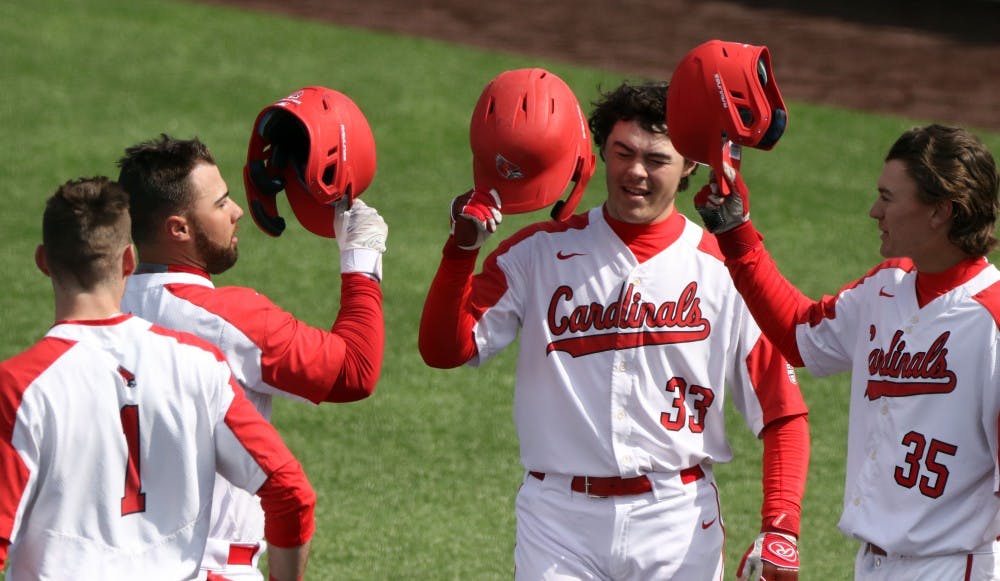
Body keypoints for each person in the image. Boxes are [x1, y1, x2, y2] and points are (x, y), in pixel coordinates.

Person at [419, 78, 810, 579]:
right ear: (601, 151)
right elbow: (442, 349)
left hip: (677, 520)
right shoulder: (538, 253)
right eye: (623, 153)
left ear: (691, 163)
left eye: (657, 159)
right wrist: (461, 252)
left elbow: (782, 412)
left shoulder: (725, 269)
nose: (636, 172)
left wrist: (781, 524)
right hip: (558, 520)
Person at [697, 123, 1000, 579]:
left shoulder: (991, 317)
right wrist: (737, 233)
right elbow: (801, 336)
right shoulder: (887, 285)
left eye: (889, 197)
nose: (874, 211)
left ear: (940, 211)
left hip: (955, 566)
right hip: (873, 563)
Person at [0, 177, 314, 580]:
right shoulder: (200, 364)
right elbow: (290, 492)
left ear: (44, 261)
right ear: (128, 261)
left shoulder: (20, 386)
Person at [116, 134, 387, 579]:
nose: (237, 210)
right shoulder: (229, 318)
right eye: (220, 203)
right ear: (179, 228)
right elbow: (354, 371)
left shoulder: (99, 315)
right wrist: (362, 258)